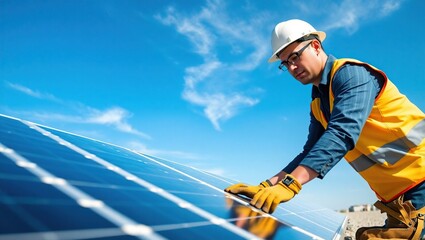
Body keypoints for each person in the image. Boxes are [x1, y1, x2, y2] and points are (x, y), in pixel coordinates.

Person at [224, 19, 425, 240]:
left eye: (294, 56)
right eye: (285, 63)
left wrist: (290, 185)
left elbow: (342, 132)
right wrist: (266, 185)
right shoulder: (319, 102)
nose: (292, 68)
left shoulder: (352, 75)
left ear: (316, 46)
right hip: (398, 199)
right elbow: (309, 152)